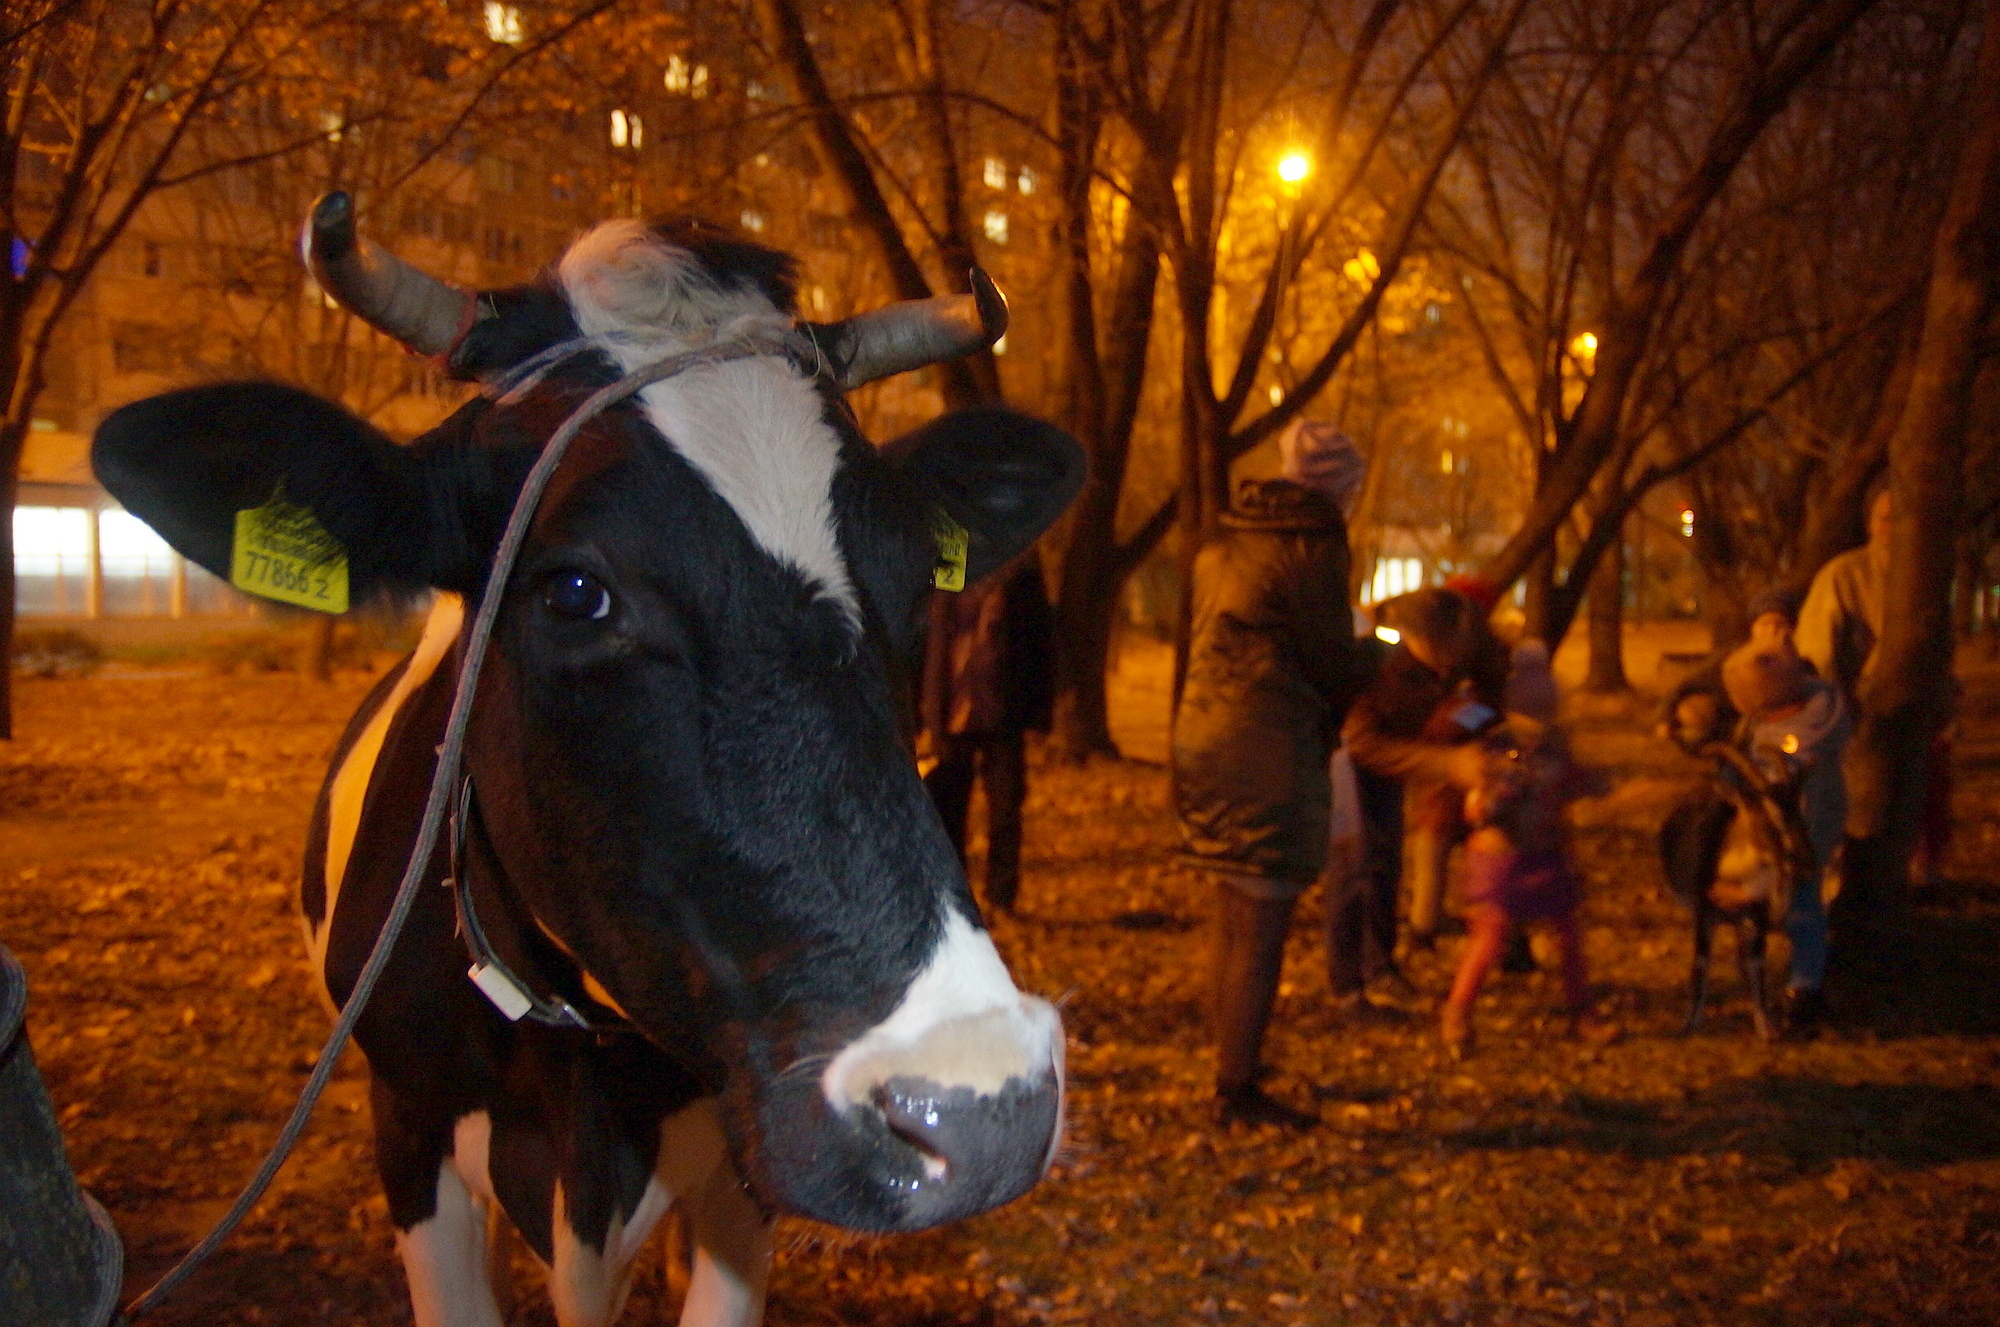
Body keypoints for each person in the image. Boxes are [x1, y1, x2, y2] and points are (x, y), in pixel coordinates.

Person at [1172, 420, 1372, 1128]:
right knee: (1261, 921)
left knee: (1232, 913)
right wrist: (1388, 658)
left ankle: (1234, 1060)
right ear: (1339, 486)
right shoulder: (1311, 543)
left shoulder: (1226, 535)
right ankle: (1237, 1088)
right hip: (1268, 746)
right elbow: (1329, 658)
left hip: (1204, 736)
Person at [1438, 640, 1613, 1056]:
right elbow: (1477, 788)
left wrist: (1589, 783)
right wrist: (1492, 792)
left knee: (1568, 933)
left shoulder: (1554, 743)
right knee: (1491, 935)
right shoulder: (1493, 738)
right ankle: (1457, 1013)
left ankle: (1580, 1012)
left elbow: (1569, 781)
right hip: (1499, 858)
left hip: (1544, 850)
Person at [1343, 582, 1511, 966]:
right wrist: (1445, 761)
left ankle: (1499, 939)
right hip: (1365, 761)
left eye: (1458, 654)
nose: (1450, 665)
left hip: (1441, 760)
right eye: (1442, 653)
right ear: (1415, 638)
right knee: (1366, 859)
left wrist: (1466, 721)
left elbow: (1492, 702)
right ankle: (1369, 966)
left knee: (1396, 854)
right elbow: (1362, 742)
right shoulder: (1376, 658)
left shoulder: (1477, 646)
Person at [1795, 488, 1954, 890]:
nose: (1892, 528)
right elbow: (1818, 651)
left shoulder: (1926, 578)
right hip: (1861, 710)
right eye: (1885, 518)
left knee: (1926, 791)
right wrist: (1834, 710)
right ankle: (1843, 879)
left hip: (1920, 706)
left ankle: (1918, 873)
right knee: (1857, 801)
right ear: (1870, 523)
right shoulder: (1844, 575)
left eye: (1901, 519)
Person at [1718, 627, 1851, 1033]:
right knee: (1788, 896)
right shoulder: (1812, 708)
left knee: (1799, 897)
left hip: (1802, 825)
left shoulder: (1798, 737)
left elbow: (1775, 779)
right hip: (1789, 823)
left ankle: (1804, 986)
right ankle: (1778, 970)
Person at [920, 553, 1055, 915]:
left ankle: (1001, 895)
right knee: (948, 809)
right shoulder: (951, 553)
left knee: (1006, 806)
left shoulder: (1021, 560)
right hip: (953, 709)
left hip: (1003, 709)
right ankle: (957, 898)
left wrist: (1040, 713)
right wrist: (926, 709)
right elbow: (933, 633)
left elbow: (1040, 637)